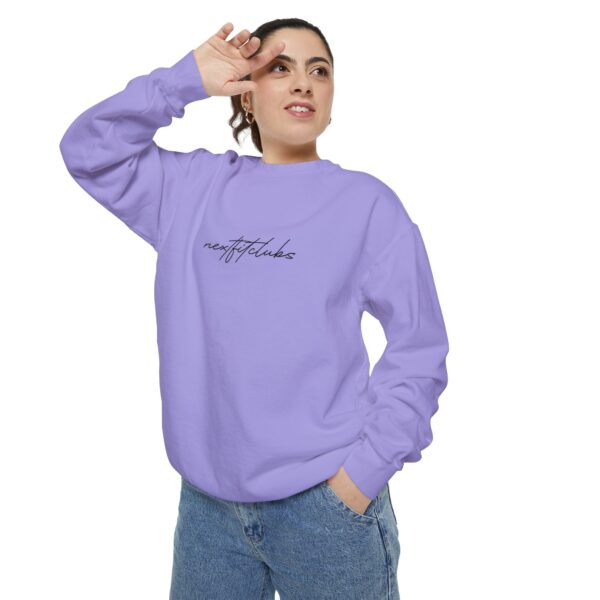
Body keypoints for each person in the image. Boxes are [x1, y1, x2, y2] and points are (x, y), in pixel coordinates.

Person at [59, 18, 449, 600]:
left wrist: (361, 477)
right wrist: (184, 80)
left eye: (319, 71)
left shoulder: (367, 205)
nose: (303, 83)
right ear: (245, 92)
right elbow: (88, 150)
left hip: (326, 507)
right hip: (208, 511)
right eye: (280, 68)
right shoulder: (189, 189)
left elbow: (419, 346)